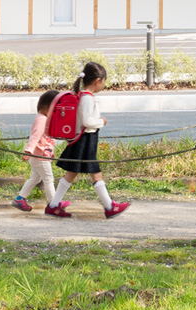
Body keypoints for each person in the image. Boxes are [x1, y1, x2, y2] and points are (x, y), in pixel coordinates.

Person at [46, 60, 129, 219]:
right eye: (104, 81)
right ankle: (109, 206)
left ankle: (54, 205)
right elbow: (87, 122)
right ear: (98, 81)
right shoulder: (87, 98)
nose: (103, 85)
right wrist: (101, 122)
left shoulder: (83, 96)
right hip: (86, 140)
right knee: (95, 173)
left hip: (82, 140)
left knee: (72, 173)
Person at [11, 90, 57, 212]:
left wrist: (51, 152)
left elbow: (46, 139)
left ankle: (20, 199)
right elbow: (35, 136)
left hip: (41, 155)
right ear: (47, 108)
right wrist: (28, 151)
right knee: (49, 179)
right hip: (39, 156)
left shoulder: (43, 118)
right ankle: (53, 204)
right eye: (54, 109)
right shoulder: (42, 119)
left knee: (35, 179)